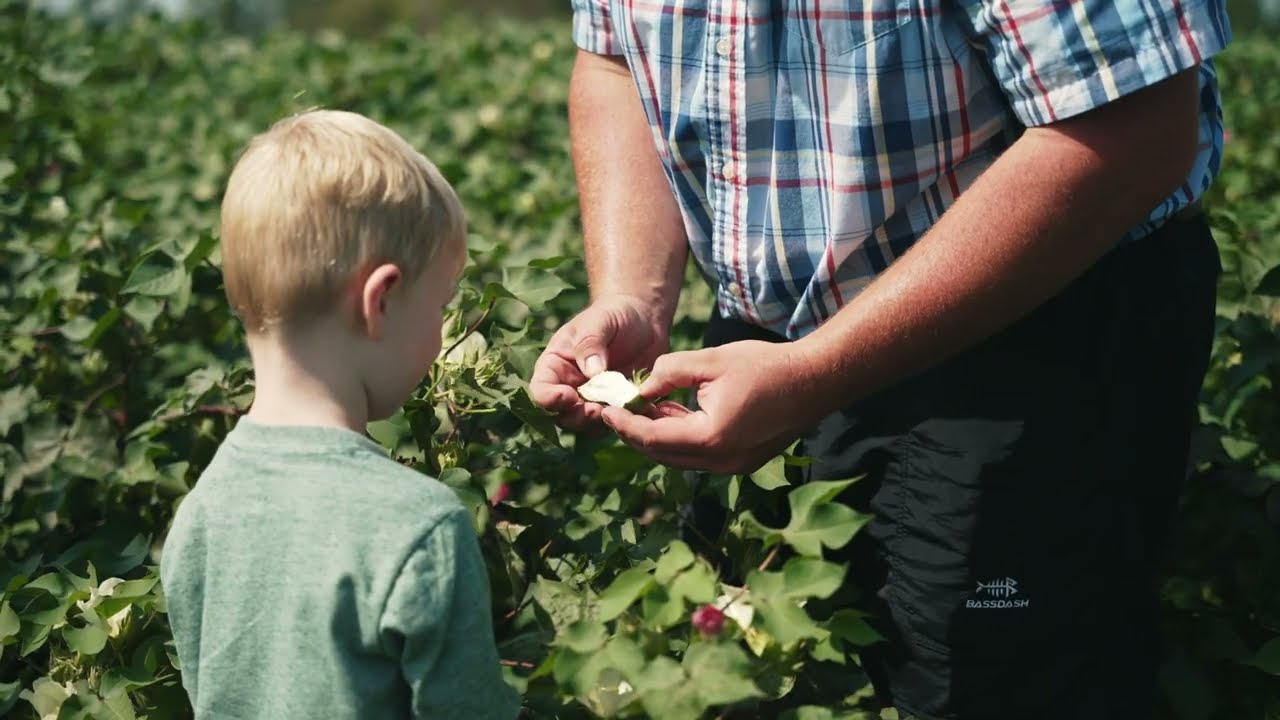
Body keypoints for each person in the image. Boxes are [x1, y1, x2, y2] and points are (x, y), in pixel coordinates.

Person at [531, 1, 1232, 718]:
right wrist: (633, 295)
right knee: (757, 665)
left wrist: (813, 373)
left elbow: (1134, 123)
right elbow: (615, 59)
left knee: (990, 682)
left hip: (1032, 338)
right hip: (760, 348)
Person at [161, 109, 520, 720]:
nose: (440, 334)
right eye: (439, 305)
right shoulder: (419, 526)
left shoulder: (202, 512)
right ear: (378, 301)